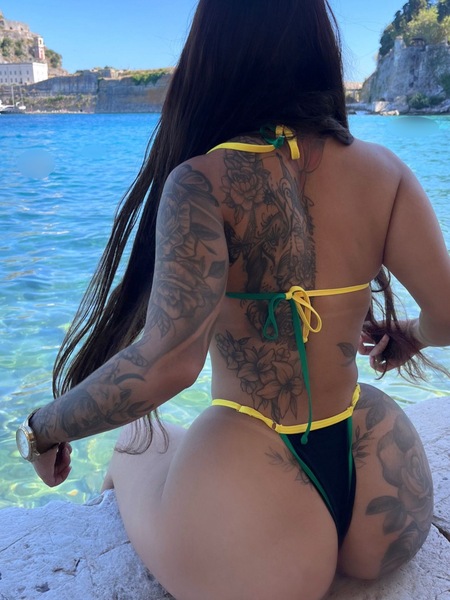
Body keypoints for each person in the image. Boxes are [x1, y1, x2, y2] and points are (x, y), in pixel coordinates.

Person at [15, 1, 450, 599]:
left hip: (254, 494)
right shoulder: (385, 171)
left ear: (211, 57)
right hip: (382, 479)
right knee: (178, 437)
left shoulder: (200, 181)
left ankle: (123, 465)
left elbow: (169, 362)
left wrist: (42, 429)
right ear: (320, 51)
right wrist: (413, 335)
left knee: (135, 445)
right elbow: (447, 314)